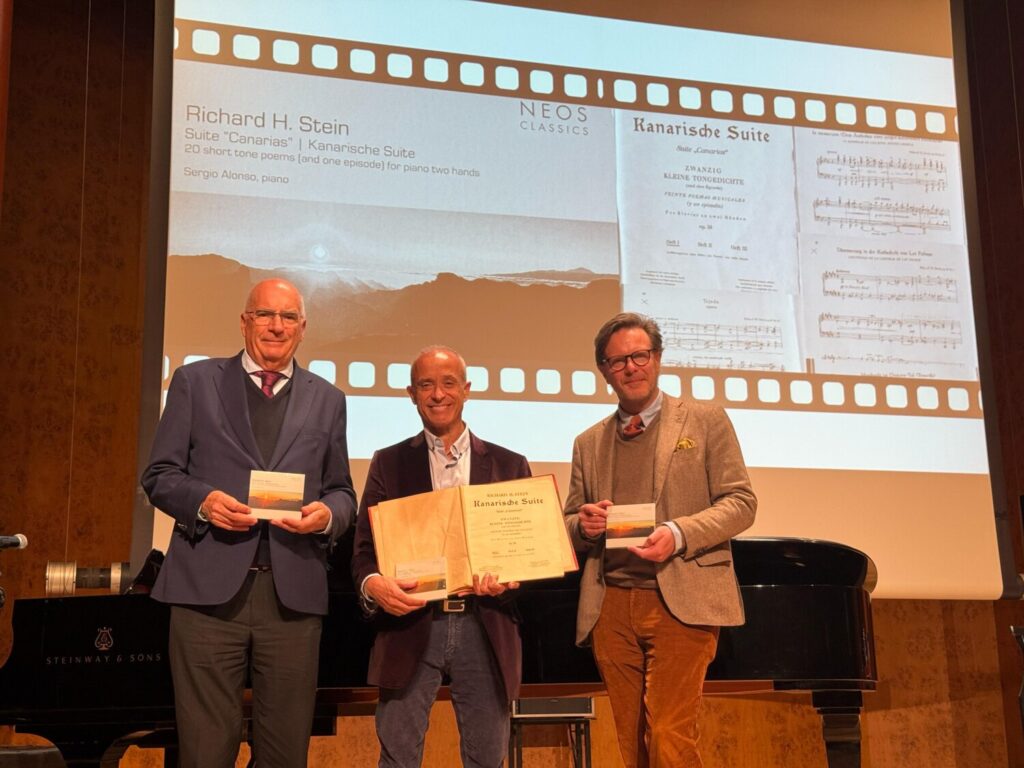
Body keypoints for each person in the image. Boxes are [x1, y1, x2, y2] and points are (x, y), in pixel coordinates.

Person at [142, 278, 357, 768]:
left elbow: (342, 491)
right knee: (204, 753)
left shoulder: (328, 398)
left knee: (285, 755)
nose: (275, 327)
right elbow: (159, 475)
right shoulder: (195, 382)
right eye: (264, 315)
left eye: (287, 318)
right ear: (244, 322)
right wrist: (203, 502)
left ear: (303, 328)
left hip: (292, 600)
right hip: (205, 601)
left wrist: (327, 516)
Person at [563, 312, 756, 768]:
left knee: (670, 734)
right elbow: (571, 519)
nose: (631, 367)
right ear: (604, 371)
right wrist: (582, 525)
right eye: (617, 361)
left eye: (639, 356)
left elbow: (741, 502)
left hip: (680, 601)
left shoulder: (706, 422)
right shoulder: (588, 442)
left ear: (658, 358)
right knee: (632, 745)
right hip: (610, 606)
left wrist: (678, 532)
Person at [351, 345, 530, 768]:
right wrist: (372, 585)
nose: (437, 394)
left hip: (483, 624)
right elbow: (363, 552)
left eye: (448, 383)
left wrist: (515, 578)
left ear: (466, 390)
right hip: (411, 623)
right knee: (397, 758)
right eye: (426, 384)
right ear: (410, 393)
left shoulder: (509, 464)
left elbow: (527, 556)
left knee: (487, 759)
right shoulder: (389, 463)